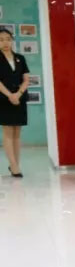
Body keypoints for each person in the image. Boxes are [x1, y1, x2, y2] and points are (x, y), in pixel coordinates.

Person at [0, 27, 30, 178]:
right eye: (1, 40)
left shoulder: (20, 58)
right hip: (3, 99)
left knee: (17, 132)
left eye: (8, 39)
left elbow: (26, 79)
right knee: (8, 132)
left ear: (12, 40)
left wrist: (18, 94)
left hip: (20, 98)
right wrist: (10, 95)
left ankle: (15, 165)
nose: (5, 43)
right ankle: (14, 165)